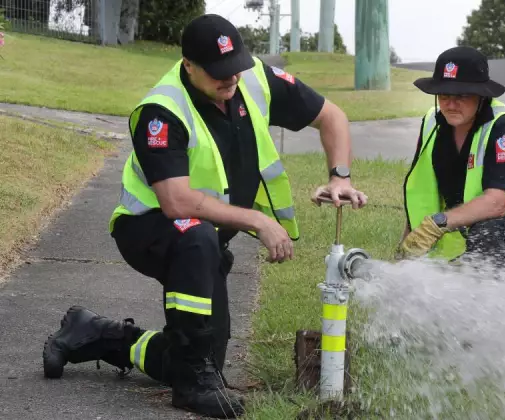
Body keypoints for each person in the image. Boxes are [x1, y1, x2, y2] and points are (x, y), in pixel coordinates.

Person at [41, 14, 367, 419]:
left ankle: (99, 335)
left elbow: (331, 116)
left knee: (204, 352)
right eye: (218, 74)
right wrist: (259, 221)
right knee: (196, 242)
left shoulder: (254, 79)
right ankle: (192, 386)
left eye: (236, 70)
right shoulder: (161, 112)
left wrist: (340, 176)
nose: (231, 81)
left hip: (204, 238)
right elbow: (177, 202)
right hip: (148, 227)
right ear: (188, 64)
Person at [398, 46, 505, 273]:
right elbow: (421, 194)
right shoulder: (432, 123)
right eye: (444, 95)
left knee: (487, 245)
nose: (450, 104)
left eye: (461, 96)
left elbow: (496, 204)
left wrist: (437, 224)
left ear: (481, 95)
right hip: (488, 228)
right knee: (464, 264)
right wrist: (404, 255)